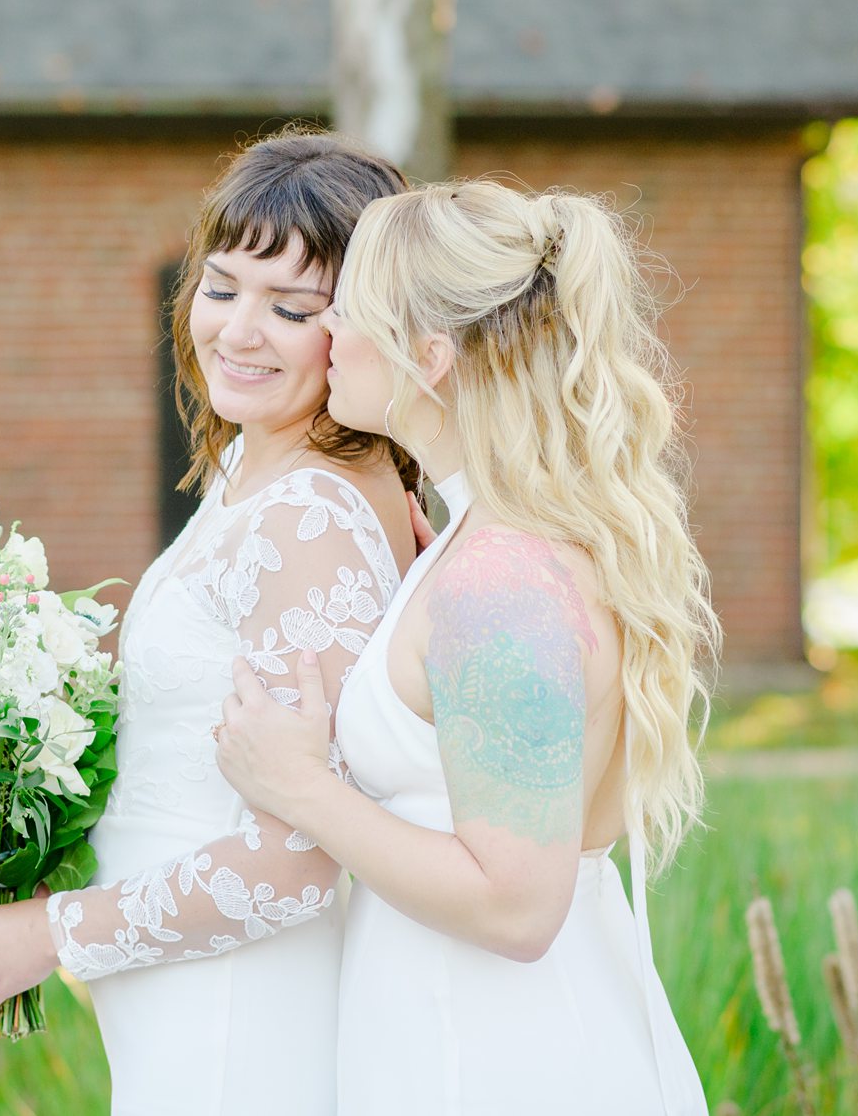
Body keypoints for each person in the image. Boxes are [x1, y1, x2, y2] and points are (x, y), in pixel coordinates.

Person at [213, 179, 718, 1115]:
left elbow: (518, 907)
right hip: (451, 1030)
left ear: (428, 356)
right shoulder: (479, 548)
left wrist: (299, 790)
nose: (327, 335)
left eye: (350, 311)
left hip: (498, 1053)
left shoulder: (503, 580)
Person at [0, 129, 422, 1115]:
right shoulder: (254, 469)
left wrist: (52, 932)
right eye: (222, 286)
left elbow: (294, 856)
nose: (240, 330)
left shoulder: (310, 517)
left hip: (242, 1022)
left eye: (290, 307)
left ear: (366, 325)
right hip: (183, 1009)